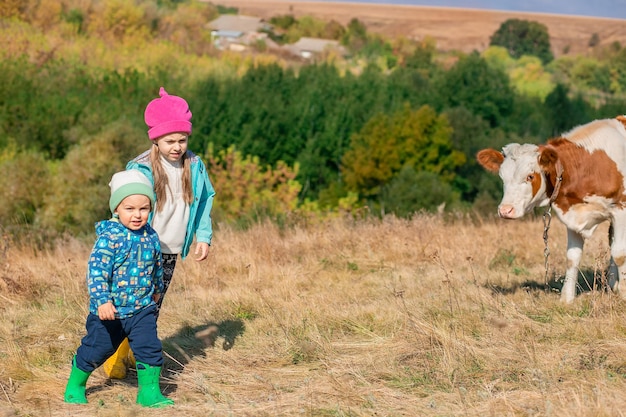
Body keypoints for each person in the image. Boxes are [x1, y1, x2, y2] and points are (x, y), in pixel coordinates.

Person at [102, 86, 215, 379]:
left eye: (182, 139)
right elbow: (123, 204)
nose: (177, 146)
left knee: (152, 307)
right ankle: (113, 355)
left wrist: (203, 236)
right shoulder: (141, 169)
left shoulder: (195, 166)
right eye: (170, 140)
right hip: (139, 248)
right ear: (156, 139)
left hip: (169, 250)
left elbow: (204, 202)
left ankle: (131, 354)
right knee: (130, 303)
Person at [64, 170, 174, 408]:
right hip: (110, 312)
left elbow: (156, 264)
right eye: (130, 209)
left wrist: (157, 288)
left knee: (149, 348)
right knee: (96, 350)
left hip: (143, 308)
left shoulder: (151, 235)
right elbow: (96, 272)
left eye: (143, 209)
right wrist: (102, 300)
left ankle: (149, 393)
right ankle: (76, 384)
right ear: (116, 209)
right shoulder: (110, 237)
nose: (137, 215)